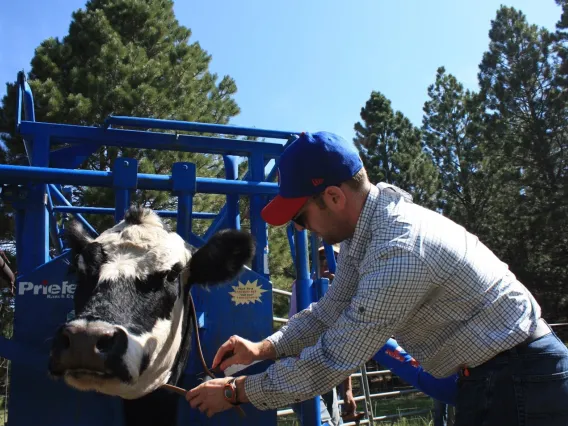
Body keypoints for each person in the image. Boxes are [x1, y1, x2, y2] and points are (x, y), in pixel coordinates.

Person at [186, 131, 568, 425]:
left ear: (334, 197)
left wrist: (236, 391)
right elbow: (328, 313)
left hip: (519, 381)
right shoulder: (365, 236)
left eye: (300, 217)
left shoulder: (398, 251)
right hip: (501, 378)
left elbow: (333, 359)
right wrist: (263, 348)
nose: (302, 230)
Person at [288, 244, 357, 426]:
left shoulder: (346, 291)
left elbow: (345, 343)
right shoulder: (304, 287)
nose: (326, 261)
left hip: (326, 373)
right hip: (302, 370)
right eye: (321, 258)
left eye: (331, 256)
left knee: (335, 422)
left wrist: (347, 390)